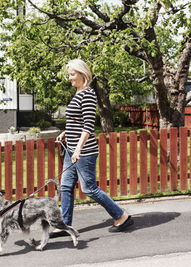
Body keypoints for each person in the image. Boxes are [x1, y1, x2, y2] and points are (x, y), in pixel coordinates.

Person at [50, 59, 133, 237]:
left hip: (84, 151)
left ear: (82, 74)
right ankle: (64, 225)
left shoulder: (87, 94)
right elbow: (75, 120)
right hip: (71, 148)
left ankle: (122, 216)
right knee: (65, 186)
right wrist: (65, 132)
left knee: (89, 188)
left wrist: (79, 149)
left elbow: (88, 126)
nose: (70, 78)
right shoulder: (78, 93)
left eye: (72, 74)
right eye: (69, 75)